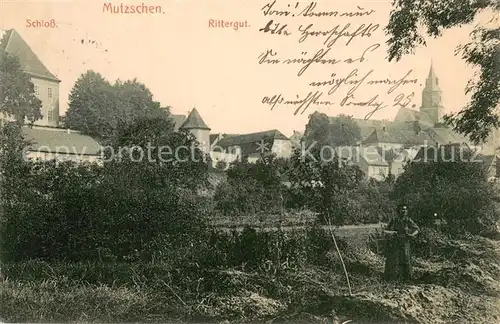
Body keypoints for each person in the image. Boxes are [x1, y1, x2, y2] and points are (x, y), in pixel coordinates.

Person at [384, 205, 419, 282]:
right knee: (395, 260)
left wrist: (412, 235)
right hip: (395, 242)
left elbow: (417, 229)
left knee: (406, 259)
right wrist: (392, 232)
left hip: (405, 243)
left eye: (405, 209)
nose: (404, 211)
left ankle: (406, 278)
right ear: (398, 210)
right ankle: (394, 278)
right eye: (402, 209)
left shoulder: (408, 220)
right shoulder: (394, 220)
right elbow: (385, 231)